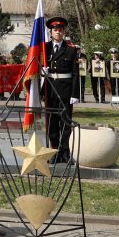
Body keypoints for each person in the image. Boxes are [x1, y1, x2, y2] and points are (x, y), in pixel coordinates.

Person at [42, 17, 77, 164]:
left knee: (65, 122)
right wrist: (41, 70)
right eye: (55, 30)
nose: (58, 32)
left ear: (64, 32)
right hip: (50, 90)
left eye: (61, 30)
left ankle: (65, 152)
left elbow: (75, 73)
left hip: (65, 91)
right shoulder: (45, 48)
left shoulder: (70, 50)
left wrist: (75, 94)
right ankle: (54, 151)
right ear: (51, 32)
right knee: (52, 123)